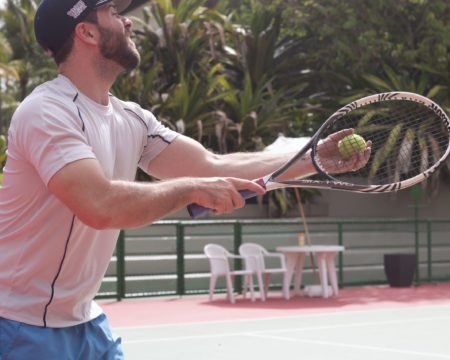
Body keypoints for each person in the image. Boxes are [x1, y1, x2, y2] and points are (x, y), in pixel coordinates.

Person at [0, 0, 371, 358]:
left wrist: (312, 157)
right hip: (21, 324)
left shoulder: (132, 119)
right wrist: (190, 190)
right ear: (87, 32)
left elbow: (211, 165)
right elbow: (100, 206)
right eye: (113, 12)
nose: (128, 21)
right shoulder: (46, 112)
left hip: (84, 322)